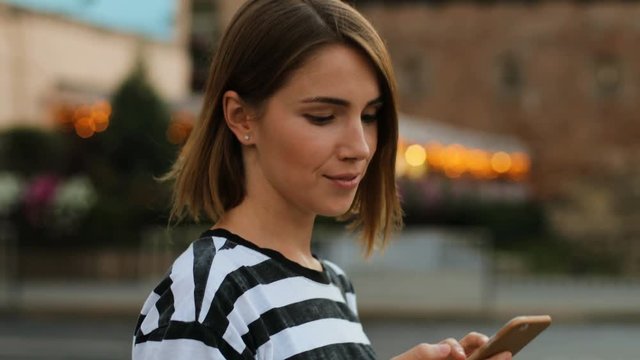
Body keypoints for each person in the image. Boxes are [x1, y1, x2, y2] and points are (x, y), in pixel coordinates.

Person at [132, 0, 512, 359]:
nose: (360, 147)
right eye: (323, 117)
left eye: (369, 116)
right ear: (241, 117)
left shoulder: (334, 283)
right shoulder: (205, 293)